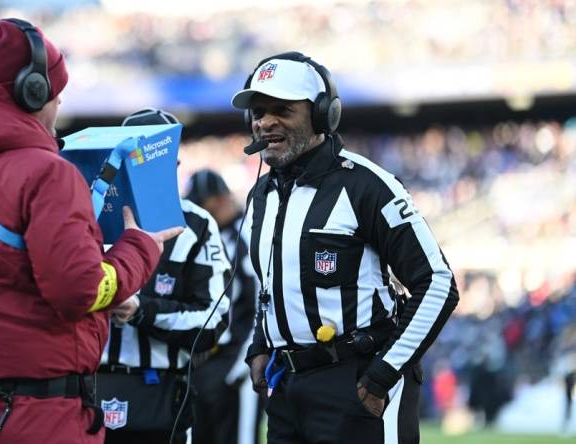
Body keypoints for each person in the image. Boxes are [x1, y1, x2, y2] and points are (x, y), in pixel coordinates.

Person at [0, 19, 181, 444]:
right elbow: (78, 291)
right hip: (35, 418)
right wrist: (140, 248)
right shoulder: (49, 174)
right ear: (33, 92)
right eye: (56, 94)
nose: (58, 105)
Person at [233, 51, 459, 444]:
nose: (265, 122)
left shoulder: (367, 185)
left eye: (282, 110)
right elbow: (271, 285)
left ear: (323, 114)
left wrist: (383, 373)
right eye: (258, 111)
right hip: (288, 390)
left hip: (356, 381)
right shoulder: (261, 195)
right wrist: (258, 345)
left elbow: (437, 283)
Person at [96, 108, 231, 444]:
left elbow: (212, 323)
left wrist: (141, 310)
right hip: (86, 394)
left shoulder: (197, 225)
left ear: (175, 165)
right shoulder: (88, 215)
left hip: (160, 397)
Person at [185, 169, 264, 444]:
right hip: (206, 362)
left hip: (236, 359)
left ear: (219, 200)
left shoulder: (247, 238)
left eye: (202, 204)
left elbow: (261, 305)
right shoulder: (208, 237)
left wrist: (245, 362)